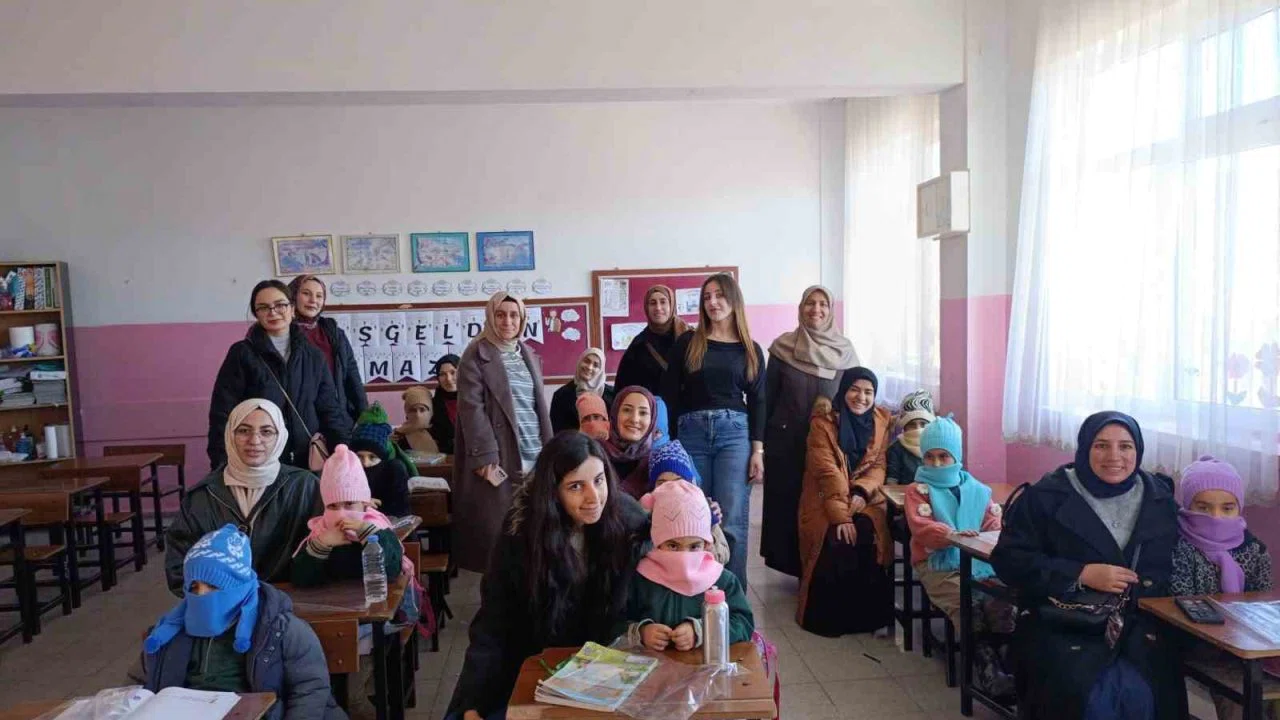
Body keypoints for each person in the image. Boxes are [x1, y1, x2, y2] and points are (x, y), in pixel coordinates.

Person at [990, 411, 1183, 720]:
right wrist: (1080, 574)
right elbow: (1009, 560)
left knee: (1145, 696)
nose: (1114, 456)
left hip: (1139, 626)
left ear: (1138, 450)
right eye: (1101, 445)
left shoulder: (1159, 499)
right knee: (1086, 699)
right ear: (1084, 448)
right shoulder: (1047, 496)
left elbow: (1174, 565)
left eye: (1125, 446)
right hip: (1064, 624)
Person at [446, 432, 649, 720]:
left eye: (599, 480)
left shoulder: (627, 518)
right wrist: (472, 701)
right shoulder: (521, 534)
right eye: (576, 486)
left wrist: (707, 525)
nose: (594, 497)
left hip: (608, 670)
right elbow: (494, 621)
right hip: (537, 667)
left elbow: (677, 542)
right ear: (553, 492)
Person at [143, 525, 345, 720]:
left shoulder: (282, 629)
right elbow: (141, 682)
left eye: (213, 586)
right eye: (194, 587)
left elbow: (310, 689)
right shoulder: (168, 632)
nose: (202, 595)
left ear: (238, 585)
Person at [661, 273, 765, 589]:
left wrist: (758, 451)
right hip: (690, 434)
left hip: (734, 435)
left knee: (731, 521)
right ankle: (699, 593)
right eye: (707, 297)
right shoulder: (687, 343)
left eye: (719, 295)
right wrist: (669, 445)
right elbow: (669, 396)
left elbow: (759, 400)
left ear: (734, 300)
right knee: (695, 516)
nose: (713, 302)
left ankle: (733, 599)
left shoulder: (750, 349)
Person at [167, 399, 323, 595]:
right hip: (223, 605)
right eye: (243, 431)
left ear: (280, 437)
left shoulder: (305, 487)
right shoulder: (202, 496)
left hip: (291, 600)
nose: (254, 440)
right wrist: (215, 595)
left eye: (266, 432)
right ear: (230, 435)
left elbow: (324, 558)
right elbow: (178, 568)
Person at [904, 416, 1013, 697]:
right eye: (930, 457)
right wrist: (952, 534)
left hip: (979, 564)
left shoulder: (976, 489)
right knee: (968, 604)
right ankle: (988, 671)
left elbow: (993, 525)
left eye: (944, 456)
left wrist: (987, 533)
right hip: (937, 566)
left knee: (1000, 602)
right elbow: (922, 528)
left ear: (957, 456)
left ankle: (1009, 664)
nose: (937, 463)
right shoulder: (918, 491)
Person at [761, 285, 859, 577]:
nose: (816, 309)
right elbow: (768, 397)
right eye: (810, 303)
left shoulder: (845, 352)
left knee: (822, 503)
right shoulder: (783, 348)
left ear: (831, 310)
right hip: (786, 443)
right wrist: (762, 445)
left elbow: (852, 401)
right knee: (788, 505)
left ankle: (819, 572)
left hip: (827, 445)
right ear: (801, 308)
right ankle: (795, 569)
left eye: (823, 304)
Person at [453, 292, 554, 573]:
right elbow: (471, 409)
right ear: (490, 316)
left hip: (534, 449)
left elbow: (536, 405)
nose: (507, 321)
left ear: (522, 319)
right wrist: (485, 457)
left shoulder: (528, 354)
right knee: (499, 535)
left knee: (533, 531)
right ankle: (500, 595)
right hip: (500, 452)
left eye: (513, 315)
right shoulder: (476, 354)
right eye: (500, 314)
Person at [1169, 456, 1276, 720]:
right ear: (1188, 506)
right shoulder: (1181, 547)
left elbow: (1263, 603)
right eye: (1203, 508)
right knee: (1237, 701)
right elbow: (1181, 602)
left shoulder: (1255, 550)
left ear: (1239, 508)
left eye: (1227, 508)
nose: (1216, 517)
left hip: (1250, 647)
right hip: (1200, 646)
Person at [208, 280, 349, 469]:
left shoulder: (314, 356)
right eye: (263, 307)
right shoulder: (242, 354)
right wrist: (221, 462)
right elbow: (223, 412)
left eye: (280, 305)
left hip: (307, 461)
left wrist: (343, 453)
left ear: (292, 309)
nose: (273, 312)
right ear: (256, 314)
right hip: (258, 460)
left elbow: (330, 410)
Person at [795, 367, 894, 636]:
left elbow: (878, 466)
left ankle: (865, 618)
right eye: (855, 390)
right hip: (824, 498)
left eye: (868, 392)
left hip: (864, 498)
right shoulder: (823, 423)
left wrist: (862, 493)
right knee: (838, 537)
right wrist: (841, 516)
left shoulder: (880, 422)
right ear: (843, 390)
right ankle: (829, 620)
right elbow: (827, 472)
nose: (861, 397)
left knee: (867, 531)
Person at [616, 478, 753, 651]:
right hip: (653, 664)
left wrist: (700, 631)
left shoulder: (723, 581)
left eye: (694, 546)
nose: (684, 556)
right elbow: (615, 621)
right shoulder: (639, 578)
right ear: (657, 542)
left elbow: (743, 622)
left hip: (703, 663)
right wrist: (641, 632)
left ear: (707, 544)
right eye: (673, 546)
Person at [289, 445, 406, 587]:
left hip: (376, 597)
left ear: (364, 504)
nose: (341, 514)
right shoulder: (319, 532)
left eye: (349, 504)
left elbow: (393, 571)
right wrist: (321, 545)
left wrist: (370, 535)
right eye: (333, 506)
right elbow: (301, 580)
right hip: (334, 599)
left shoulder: (379, 528)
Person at [288, 274, 368, 426]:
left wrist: (364, 414)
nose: (313, 300)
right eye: (306, 293)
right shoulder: (283, 333)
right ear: (292, 296)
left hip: (337, 414)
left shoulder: (334, 332)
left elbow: (352, 376)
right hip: (300, 419)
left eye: (319, 296)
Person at [649, 441, 729, 564]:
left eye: (679, 481)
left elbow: (723, 554)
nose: (673, 488)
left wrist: (706, 535)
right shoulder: (647, 511)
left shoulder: (702, 508)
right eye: (663, 483)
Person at [615, 285, 691, 395]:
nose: (658, 308)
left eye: (663, 302)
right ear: (647, 308)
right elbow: (623, 388)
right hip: (652, 405)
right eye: (653, 303)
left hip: (689, 404)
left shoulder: (690, 338)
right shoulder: (638, 345)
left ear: (671, 305)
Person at [348, 404, 413, 518]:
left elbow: (401, 511)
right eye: (359, 457)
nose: (365, 463)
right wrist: (359, 505)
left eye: (372, 457)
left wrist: (371, 510)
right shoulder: (347, 471)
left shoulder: (394, 470)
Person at [604, 386, 659, 498]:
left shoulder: (658, 462)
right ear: (615, 413)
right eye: (627, 410)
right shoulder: (595, 454)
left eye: (643, 413)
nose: (634, 419)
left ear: (652, 420)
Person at [550, 348, 615, 433]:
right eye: (586, 361)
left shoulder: (612, 395)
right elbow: (558, 432)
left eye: (596, 365)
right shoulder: (561, 395)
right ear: (579, 362)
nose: (589, 367)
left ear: (601, 370)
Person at [885, 389, 935, 485]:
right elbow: (892, 481)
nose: (918, 429)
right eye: (912, 424)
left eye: (923, 424)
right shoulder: (896, 448)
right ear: (904, 427)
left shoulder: (938, 446)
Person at [394, 385, 439, 454]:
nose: (418, 415)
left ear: (430, 412)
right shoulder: (399, 436)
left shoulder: (439, 431)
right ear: (407, 413)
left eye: (422, 409)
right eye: (413, 410)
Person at [429, 354, 460, 454]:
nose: (448, 379)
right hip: (444, 457)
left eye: (453, 372)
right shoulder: (431, 405)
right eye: (442, 374)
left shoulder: (477, 401)